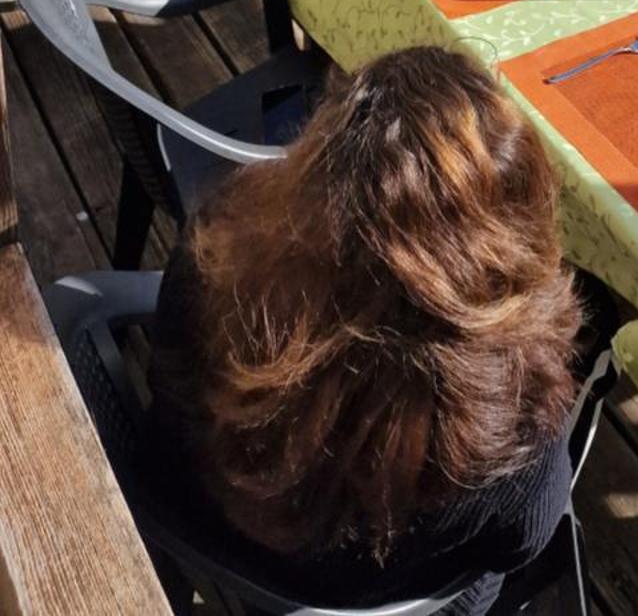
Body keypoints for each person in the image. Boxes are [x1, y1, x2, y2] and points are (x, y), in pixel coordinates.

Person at [149, 46, 612, 614]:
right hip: (396, 598)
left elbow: (165, 386)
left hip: (215, 544)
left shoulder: (209, 257)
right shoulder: (516, 427)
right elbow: (526, 538)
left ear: (321, 155)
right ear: (504, 237)